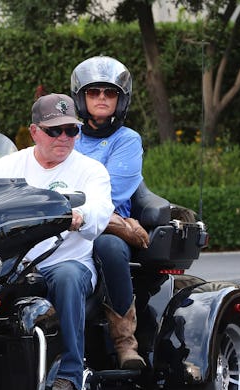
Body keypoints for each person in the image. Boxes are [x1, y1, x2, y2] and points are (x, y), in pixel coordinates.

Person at [0, 93, 114, 390]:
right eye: (55, 130)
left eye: (72, 130)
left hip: (67, 262)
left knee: (67, 278)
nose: (64, 138)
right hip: (15, 265)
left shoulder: (90, 171)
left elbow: (99, 211)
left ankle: (69, 375)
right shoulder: (6, 169)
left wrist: (80, 216)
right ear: (34, 132)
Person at [70, 56, 148, 370]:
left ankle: (125, 343)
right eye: (94, 92)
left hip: (108, 224)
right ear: (81, 97)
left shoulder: (127, 140)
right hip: (60, 223)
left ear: (120, 99)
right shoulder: (65, 135)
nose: (102, 98)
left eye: (110, 92)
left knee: (110, 249)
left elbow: (111, 195)